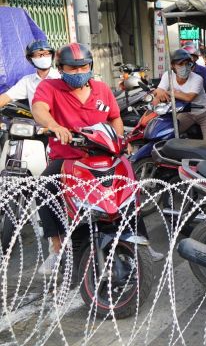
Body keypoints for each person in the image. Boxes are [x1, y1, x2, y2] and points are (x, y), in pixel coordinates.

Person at [31, 44, 164, 273]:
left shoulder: (102, 89)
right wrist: (54, 125)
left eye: (83, 66)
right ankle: (56, 248)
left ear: (90, 66)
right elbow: (39, 109)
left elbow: (115, 118)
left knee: (127, 189)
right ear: (60, 68)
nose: (78, 71)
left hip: (104, 154)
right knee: (44, 187)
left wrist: (120, 139)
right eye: (71, 68)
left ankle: (141, 240)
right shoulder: (49, 87)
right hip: (68, 157)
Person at [152, 49, 206, 140]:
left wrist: (168, 92)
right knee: (168, 133)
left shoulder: (197, 78)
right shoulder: (168, 75)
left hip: (205, 113)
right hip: (186, 113)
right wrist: (159, 93)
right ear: (173, 65)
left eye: (187, 64)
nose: (184, 67)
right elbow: (158, 92)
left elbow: (189, 97)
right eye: (180, 64)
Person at [0, 40, 60, 107]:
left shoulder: (60, 77)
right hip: (38, 117)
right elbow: (6, 97)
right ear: (31, 59)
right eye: (38, 55)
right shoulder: (27, 81)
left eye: (47, 53)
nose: (43, 57)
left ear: (52, 56)